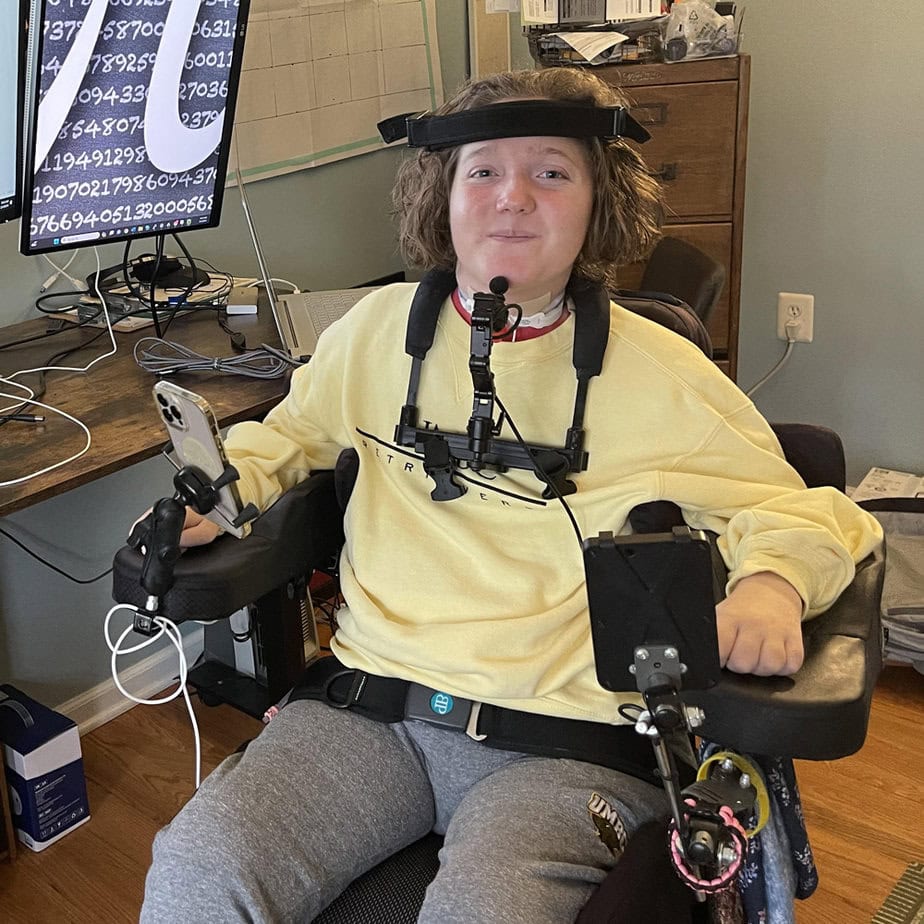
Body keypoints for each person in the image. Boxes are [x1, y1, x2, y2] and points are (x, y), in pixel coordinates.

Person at [139, 68, 882, 923]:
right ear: (442, 196)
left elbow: (805, 505)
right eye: (483, 170)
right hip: (373, 710)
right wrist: (228, 488)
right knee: (199, 868)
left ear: (598, 203)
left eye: (552, 172)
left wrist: (771, 583)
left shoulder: (662, 373)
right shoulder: (374, 335)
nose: (513, 197)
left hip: (565, 746)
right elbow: (293, 432)